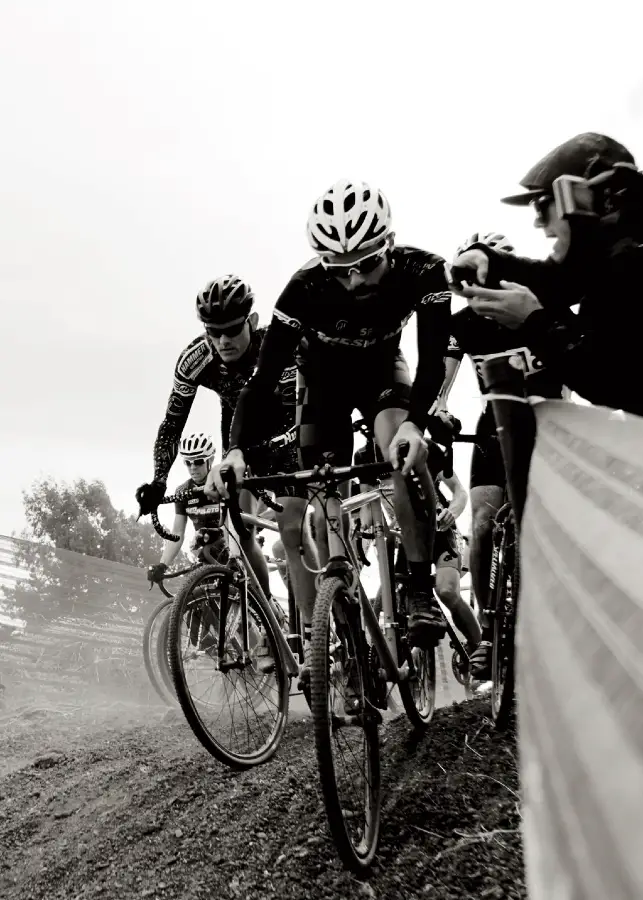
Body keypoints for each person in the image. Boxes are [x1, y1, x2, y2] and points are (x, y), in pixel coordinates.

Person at [209, 180, 455, 652]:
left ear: (389, 243)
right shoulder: (303, 290)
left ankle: (419, 588)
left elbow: (431, 359)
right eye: (340, 270)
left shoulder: (423, 270)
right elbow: (260, 384)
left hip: (385, 371)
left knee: (400, 449)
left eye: (366, 265)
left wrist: (415, 424)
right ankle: (344, 628)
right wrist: (235, 449)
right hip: (323, 385)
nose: (355, 281)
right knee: (323, 514)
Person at [135, 275, 318, 633]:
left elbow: (308, 408)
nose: (222, 341)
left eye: (232, 330)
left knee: (292, 529)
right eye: (213, 332)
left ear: (251, 322)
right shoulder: (196, 359)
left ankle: (315, 633)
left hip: (288, 436)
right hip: (238, 443)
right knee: (237, 533)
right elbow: (172, 423)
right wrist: (159, 479)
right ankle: (268, 627)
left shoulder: (278, 347)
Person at [438, 232, 568, 678]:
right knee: (480, 522)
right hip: (493, 425)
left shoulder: (536, 303)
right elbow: (443, 380)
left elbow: (570, 361)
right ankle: (490, 630)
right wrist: (436, 413)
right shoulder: (461, 324)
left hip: (548, 422)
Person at [449, 133, 643, 416]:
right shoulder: (611, 256)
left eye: (542, 206)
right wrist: (489, 261)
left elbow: (617, 384)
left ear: (587, 198)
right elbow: (557, 280)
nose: (539, 223)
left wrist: (533, 322)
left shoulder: (631, 262)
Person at [354, 437, 480, 650]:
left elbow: (459, 491)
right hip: (404, 536)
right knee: (389, 594)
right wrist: (371, 533)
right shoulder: (364, 455)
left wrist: (452, 512)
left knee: (447, 591)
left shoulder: (425, 446)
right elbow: (368, 505)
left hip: (441, 532)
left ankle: (478, 645)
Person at [146, 433, 227, 586]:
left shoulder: (222, 483)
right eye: (188, 463)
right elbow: (177, 533)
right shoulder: (183, 491)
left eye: (198, 461)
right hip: (206, 554)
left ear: (210, 460)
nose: (193, 467)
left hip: (229, 546)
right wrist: (163, 565)